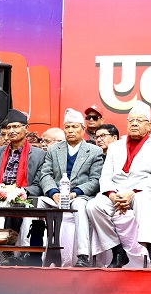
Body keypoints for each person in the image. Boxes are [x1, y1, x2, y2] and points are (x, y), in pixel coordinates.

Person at [85, 101, 151, 268]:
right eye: (131, 120)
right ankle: (118, 252)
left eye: (139, 120)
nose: (134, 124)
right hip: (117, 193)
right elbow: (105, 176)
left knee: (143, 200)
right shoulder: (115, 146)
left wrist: (133, 192)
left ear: (149, 125)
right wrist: (112, 195)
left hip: (144, 192)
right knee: (93, 206)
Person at [38, 108, 104, 267]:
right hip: (56, 196)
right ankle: (33, 250)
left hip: (78, 196)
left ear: (83, 129)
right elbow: (45, 174)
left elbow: (95, 180)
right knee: (38, 202)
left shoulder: (94, 151)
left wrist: (75, 193)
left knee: (80, 206)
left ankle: (83, 255)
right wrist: (53, 193)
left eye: (74, 127)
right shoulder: (54, 149)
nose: (70, 130)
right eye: (67, 127)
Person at [0, 109, 46, 265]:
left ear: (26, 129)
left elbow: (38, 186)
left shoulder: (39, 155)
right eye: (9, 127)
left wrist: (16, 192)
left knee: (14, 205)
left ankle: (7, 251)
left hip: (22, 196)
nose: (11, 131)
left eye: (16, 126)